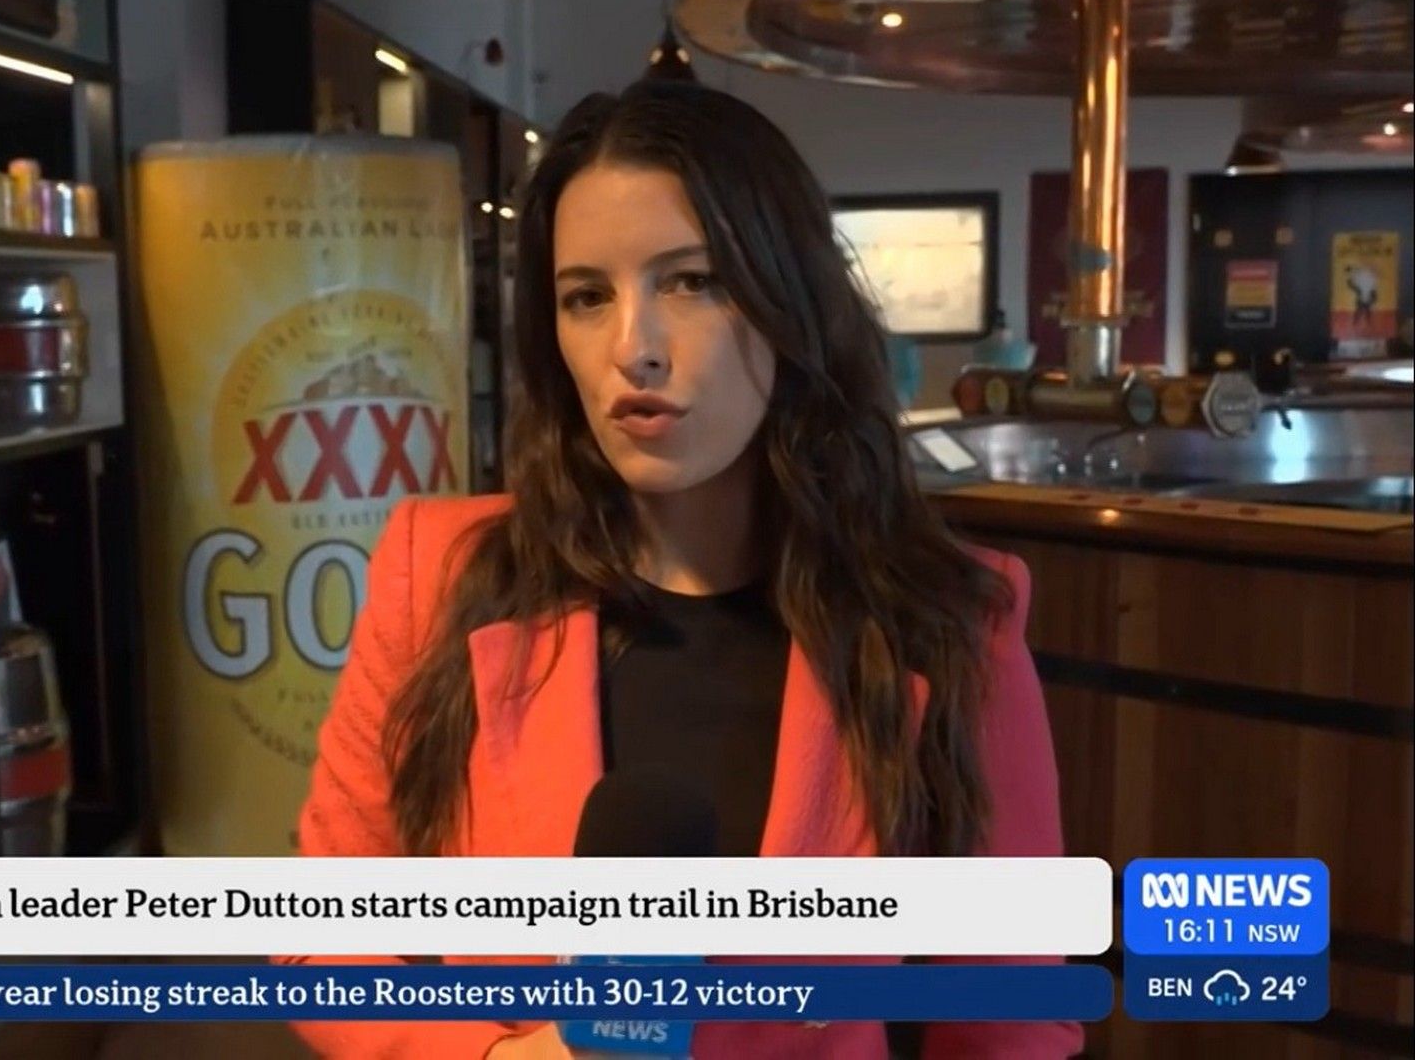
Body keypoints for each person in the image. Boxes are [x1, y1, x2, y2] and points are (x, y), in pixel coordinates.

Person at [279, 79, 1078, 1059]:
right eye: (587, 296)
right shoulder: (440, 572)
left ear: (789, 301)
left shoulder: (948, 618)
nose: (634, 348)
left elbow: (1008, 1019)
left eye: (692, 281)